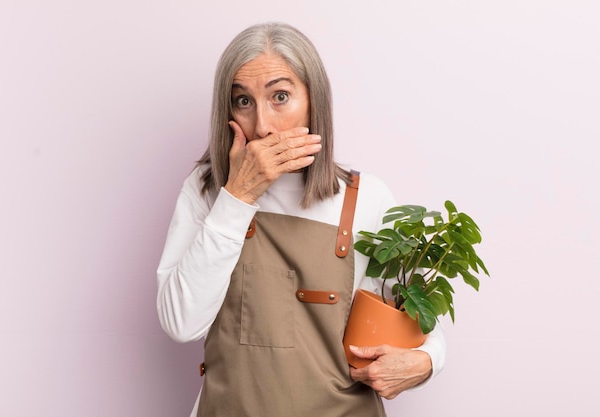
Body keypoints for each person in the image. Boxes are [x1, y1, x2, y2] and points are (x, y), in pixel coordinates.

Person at [157, 22, 445, 416]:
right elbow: (180, 323)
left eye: (280, 96)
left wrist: (430, 359)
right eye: (243, 101)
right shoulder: (208, 191)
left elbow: (411, 313)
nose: (262, 126)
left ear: (314, 101)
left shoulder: (367, 199)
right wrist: (238, 197)